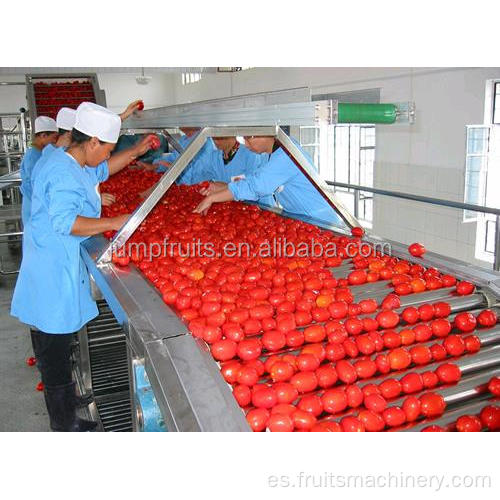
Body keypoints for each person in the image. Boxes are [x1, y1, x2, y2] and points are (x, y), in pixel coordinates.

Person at [11, 102, 151, 431]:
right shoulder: (61, 170)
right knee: (54, 349)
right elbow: (65, 221)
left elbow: (101, 170)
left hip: (55, 262)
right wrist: (118, 221)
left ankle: (68, 403)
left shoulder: (71, 160)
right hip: (51, 269)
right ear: (91, 143)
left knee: (57, 341)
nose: (107, 156)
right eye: (108, 149)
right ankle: (64, 423)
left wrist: (135, 152)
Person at [193, 135, 344, 226]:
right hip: (298, 219)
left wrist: (213, 198)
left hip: (320, 221)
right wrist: (223, 187)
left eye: (249, 137)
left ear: (267, 133)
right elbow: (256, 179)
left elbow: (257, 186)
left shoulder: (286, 155)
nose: (245, 143)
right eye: (244, 138)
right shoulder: (269, 155)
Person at [19, 116, 58, 227]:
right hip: (34, 207)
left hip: (39, 206)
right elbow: (34, 186)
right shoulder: (33, 156)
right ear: (43, 136)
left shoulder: (42, 153)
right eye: (54, 138)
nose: (55, 142)